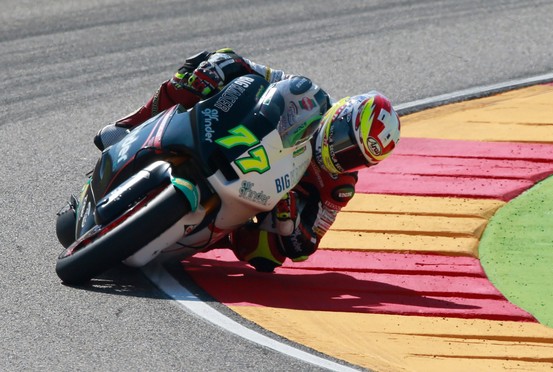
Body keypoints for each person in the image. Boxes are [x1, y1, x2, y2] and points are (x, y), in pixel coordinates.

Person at [94, 48, 401, 272]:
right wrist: (219, 66)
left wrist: (290, 222)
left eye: (354, 158)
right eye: (346, 142)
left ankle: (208, 234)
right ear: (340, 114)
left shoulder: (339, 186)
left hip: (258, 196)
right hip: (236, 142)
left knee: (269, 257)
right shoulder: (305, 96)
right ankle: (132, 125)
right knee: (198, 70)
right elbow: (244, 64)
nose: (340, 156)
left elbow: (306, 247)